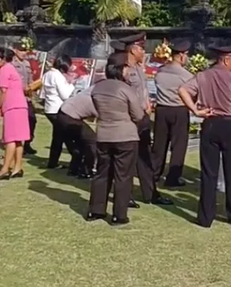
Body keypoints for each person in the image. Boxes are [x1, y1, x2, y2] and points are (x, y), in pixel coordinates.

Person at [178, 43, 231, 228]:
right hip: (229, 125)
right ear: (226, 59)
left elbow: (183, 90)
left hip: (210, 122)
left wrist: (194, 109)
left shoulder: (202, 76)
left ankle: (205, 216)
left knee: (209, 172)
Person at [87, 53, 145, 225]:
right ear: (121, 69)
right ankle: (119, 214)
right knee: (123, 175)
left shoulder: (97, 87)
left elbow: (95, 108)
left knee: (102, 173)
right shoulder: (125, 89)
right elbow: (138, 114)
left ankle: (96, 210)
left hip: (104, 134)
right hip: (125, 135)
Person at [115, 32, 172, 206]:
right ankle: (126, 195)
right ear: (132, 50)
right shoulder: (122, 69)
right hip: (128, 119)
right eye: (141, 48)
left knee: (145, 157)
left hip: (142, 118)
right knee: (127, 159)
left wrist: (147, 105)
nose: (143, 52)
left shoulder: (140, 68)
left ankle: (151, 194)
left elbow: (144, 90)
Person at [152, 39, 193, 187]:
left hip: (162, 109)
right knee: (178, 145)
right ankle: (173, 177)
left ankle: (154, 173)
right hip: (179, 110)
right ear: (182, 56)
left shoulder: (160, 71)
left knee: (159, 144)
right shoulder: (186, 75)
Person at [41, 55, 77, 170]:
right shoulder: (57, 76)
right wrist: (71, 83)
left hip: (49, 108)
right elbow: (65, 95)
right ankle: (77, 157)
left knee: (58, 137)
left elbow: (42, 93)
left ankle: (53, 162)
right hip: (57, 109)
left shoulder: (47, 74)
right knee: (66, 136)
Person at [0, 48, 30, 180]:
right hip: (21, 106)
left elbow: (3, 92)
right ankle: (17, 167)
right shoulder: (12, 69)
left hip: (12, 106)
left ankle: (5, 169)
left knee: (10, 139)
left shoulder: (4, 70)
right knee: (18, 139)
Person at [58, 87, 97, 179]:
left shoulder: (91, 91)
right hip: (70, 117)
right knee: (92, 141)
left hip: (62, 114)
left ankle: (74, 169)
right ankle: (86, 170)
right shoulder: (98, 100)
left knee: (79, 145)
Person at [11, 41, 37, 155]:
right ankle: (14, 145)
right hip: (15, 96)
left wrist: (32, 87)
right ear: (15, 50)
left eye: (25, 50)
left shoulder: (27, 63)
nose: (23, 53)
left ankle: (27, 143)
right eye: (21, 50)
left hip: (27, 97)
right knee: (15, 122)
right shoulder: (11, 63)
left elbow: (30, 78)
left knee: (32, 119)